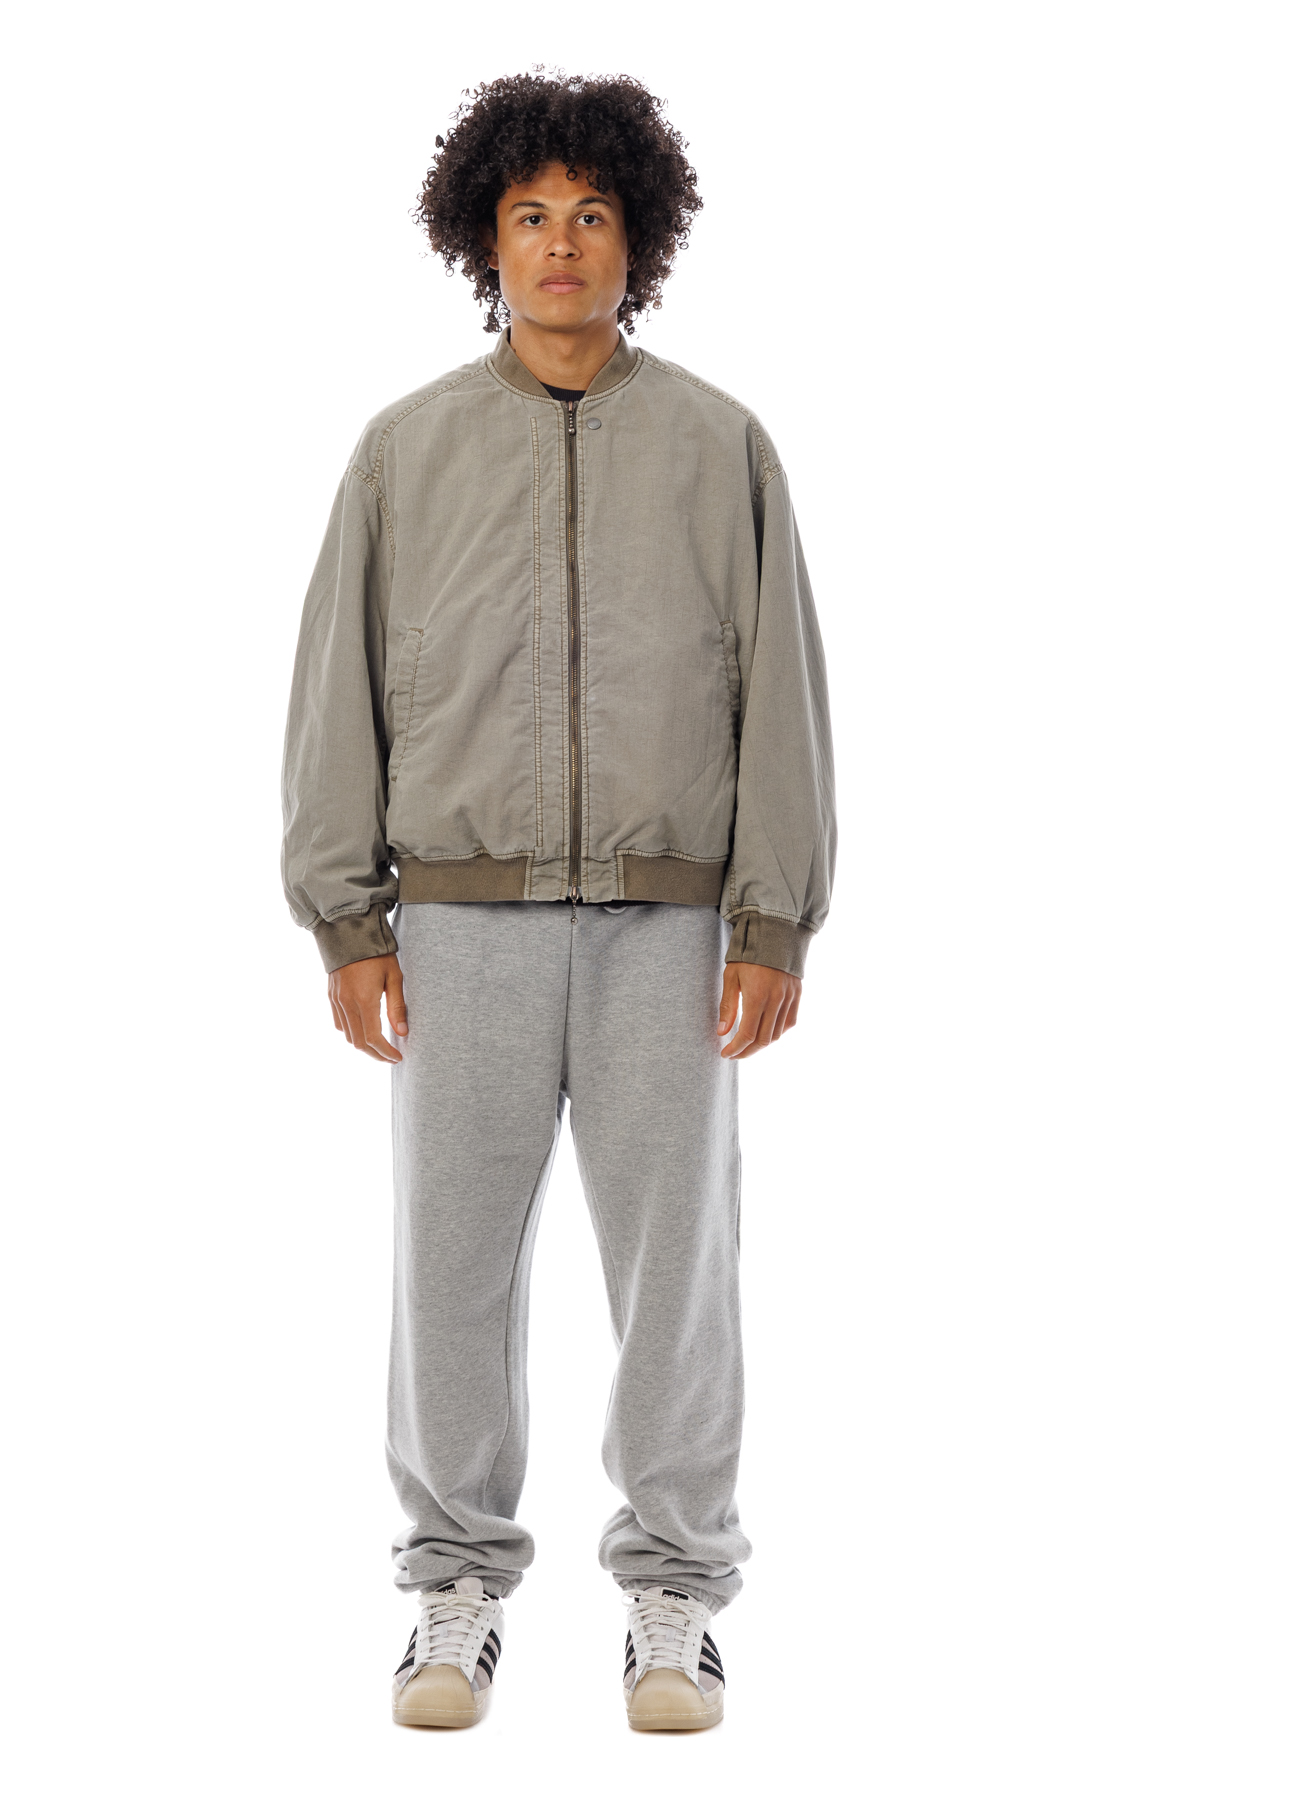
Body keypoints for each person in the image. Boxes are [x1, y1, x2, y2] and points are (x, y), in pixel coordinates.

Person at [281, 71, 836, 1732]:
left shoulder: (723, 445)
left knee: (678, 1273)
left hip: (673, 928)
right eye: (531, 216)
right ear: (486, 241)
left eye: (592, 214)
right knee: (450, 1265)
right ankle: (453, 1585)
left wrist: (772, 917)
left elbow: (785, 699)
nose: (562, 244)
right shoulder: (406, 451)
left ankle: (675, 1596)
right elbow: (336, 693)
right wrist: (349, 918)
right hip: (459, 925)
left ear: (638, 239)